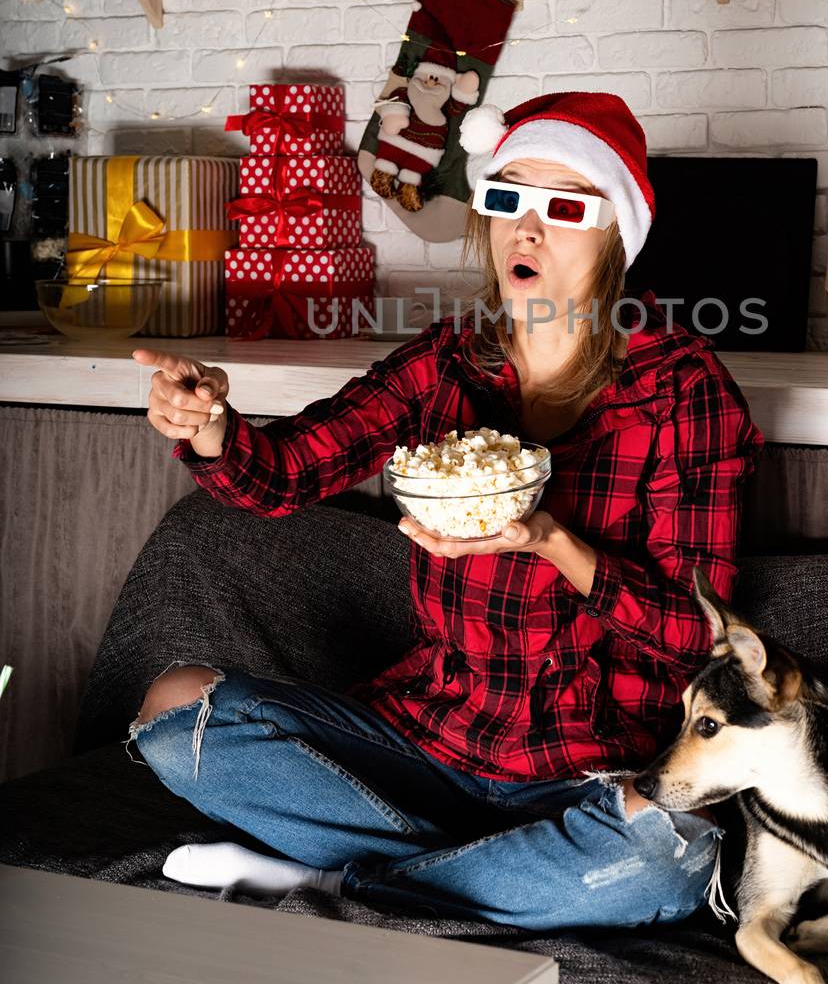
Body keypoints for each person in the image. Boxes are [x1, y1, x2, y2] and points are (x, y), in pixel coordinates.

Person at [126, 90, 764, 929]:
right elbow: (278, 478)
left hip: (587, 769)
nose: (526, 231)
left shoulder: (684, 389)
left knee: (664, 862)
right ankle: (474, 877)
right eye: (507, 200)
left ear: (617, 233)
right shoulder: (447, 363)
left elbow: (702, 633)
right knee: (174, 711)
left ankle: (332, 877)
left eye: (564, 208)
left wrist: (554, 544)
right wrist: (209, 426)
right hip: (429, 739)